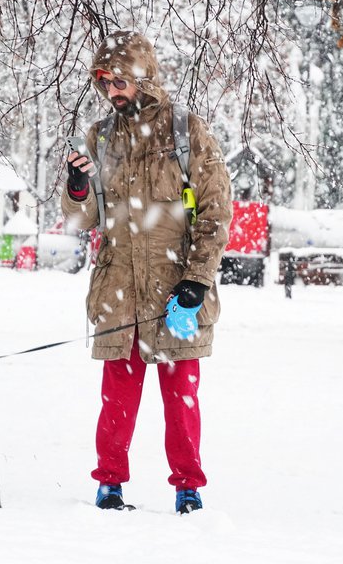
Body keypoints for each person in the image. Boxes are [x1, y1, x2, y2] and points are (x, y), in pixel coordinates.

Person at [61, 31, 232, 514]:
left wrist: (197, 280)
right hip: (119, 292)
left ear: (142, 77)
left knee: (181, 402)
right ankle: (109, 484)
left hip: (176, 293)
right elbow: (81, 221)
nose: (110, 90)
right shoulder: (101, 138)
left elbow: (217, 212)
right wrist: (77, 189)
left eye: (118, 80)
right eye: (102, 81)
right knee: (116, 399)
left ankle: (188, 489)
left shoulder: (186, 133)